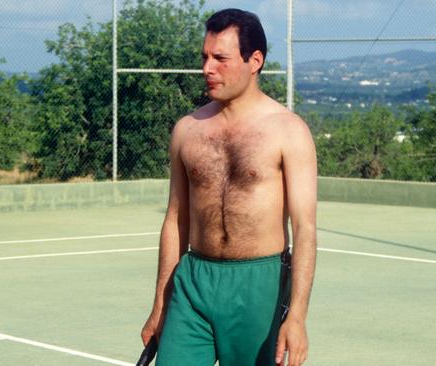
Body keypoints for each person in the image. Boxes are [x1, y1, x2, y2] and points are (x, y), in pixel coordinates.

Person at [140, 8, 317, 366]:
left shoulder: (288, 130)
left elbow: (305, 228)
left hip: (260, 286)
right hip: (194, 282)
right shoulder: (187, 130)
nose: (207, 68)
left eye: (220, 58)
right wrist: (160, 303)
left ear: (255, 61)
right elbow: (175, 221)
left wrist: (296, 317)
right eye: (205, 57)